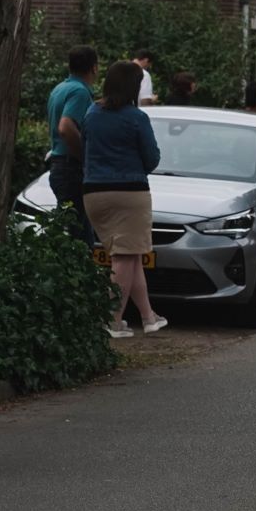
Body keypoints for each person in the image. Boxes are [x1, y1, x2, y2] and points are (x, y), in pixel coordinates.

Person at [81, 61, 166, 339]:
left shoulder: (92, 112)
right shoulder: (136, 117)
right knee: (124, 257)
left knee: (131, 257)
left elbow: (85, 148)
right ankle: (113, 320)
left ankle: (148, 316)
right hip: (129, 192)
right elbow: (151, 159)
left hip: (94, 192)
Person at [44, 45, 99, 244]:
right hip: (71, 168)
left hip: (59, 165)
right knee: (81, 239)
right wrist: (84, 158)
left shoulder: (60, 88)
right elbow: (66, 126)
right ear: (94, 68)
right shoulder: (80, 92)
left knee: (69, 231)